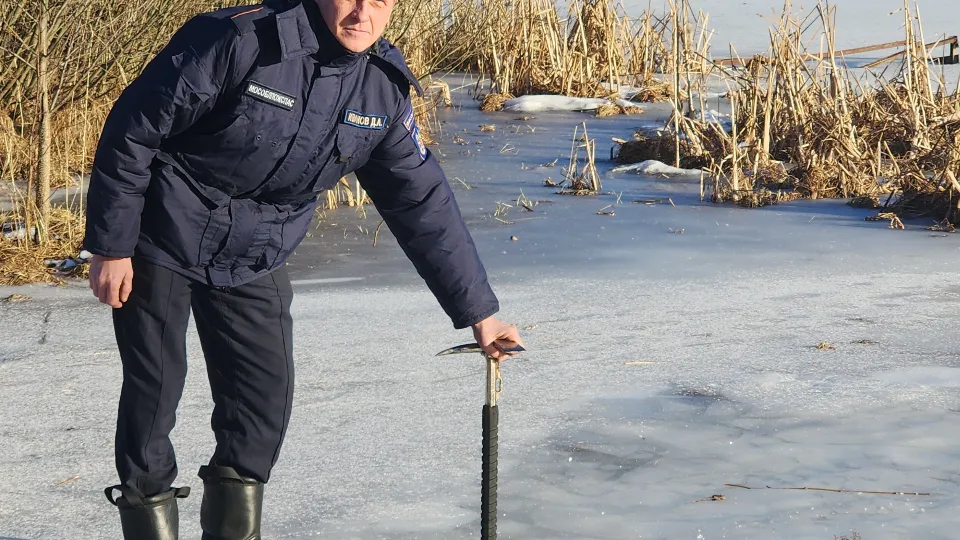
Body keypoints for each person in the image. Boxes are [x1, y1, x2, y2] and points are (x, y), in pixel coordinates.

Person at [83, 0, 524, 537]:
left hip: (257, 250)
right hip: (162, 231)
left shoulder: (380, 88)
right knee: (154, 393)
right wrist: (111, 246)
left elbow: (421, 204)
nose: (363, 12)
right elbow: (134, 130)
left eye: (380, 1)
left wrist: (479, 312)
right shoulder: (240, 41)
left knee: (261, 405)